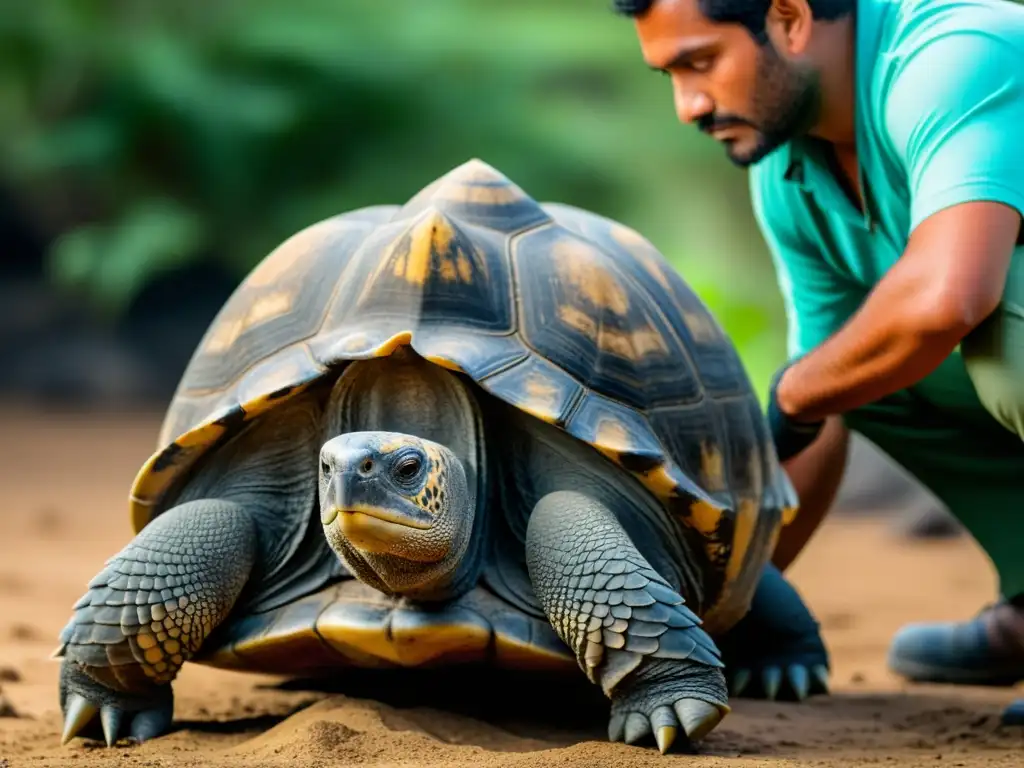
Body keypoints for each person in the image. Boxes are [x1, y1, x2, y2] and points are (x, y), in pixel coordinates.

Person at [614, 0, 1024, 722]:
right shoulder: (789, 171)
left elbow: (948, 297)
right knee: (861, 370)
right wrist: (701, 616)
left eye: (701, 62)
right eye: (669, 74)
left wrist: (798, 394)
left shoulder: (960, 54)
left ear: (790, 17)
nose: (687, 105)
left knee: (1002, 328)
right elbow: (826, 405)